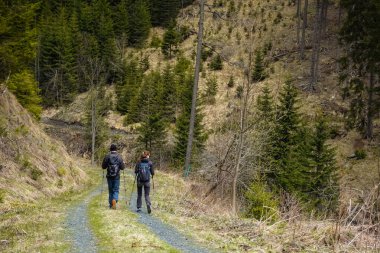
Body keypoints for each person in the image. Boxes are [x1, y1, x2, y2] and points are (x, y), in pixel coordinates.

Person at [102, 144, 125, 209]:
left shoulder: (107, 156)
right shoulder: (119, 157)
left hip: (109, 175)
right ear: (116, 149)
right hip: (116, 176)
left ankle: (111, 204)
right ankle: (115, 199)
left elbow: (103, 167)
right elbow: (122, 167)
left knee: (110, 190)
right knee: (116, 189)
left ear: (110, 149)